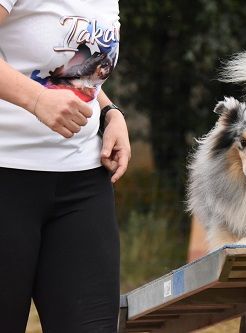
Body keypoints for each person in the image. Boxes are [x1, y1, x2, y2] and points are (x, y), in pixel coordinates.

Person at [0, 1, 130, 332]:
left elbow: (69, 69)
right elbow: (40, 86)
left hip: (82, 185)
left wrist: (109, 111)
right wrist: (35, 100)